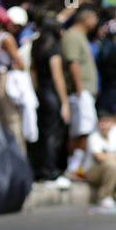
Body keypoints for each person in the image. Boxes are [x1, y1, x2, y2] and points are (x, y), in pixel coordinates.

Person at [30, 15, 72, 187]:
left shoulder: (36, 45)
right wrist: (64, 103)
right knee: (52, 135)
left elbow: (33, 71)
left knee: (43, 133)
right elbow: (58, 77)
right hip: (52, 94)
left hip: (41, 92)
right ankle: (50, 171)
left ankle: (41, 169)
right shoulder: (53, 48)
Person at [0, 15, 28, 153]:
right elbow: (20, 63)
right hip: (5, 82)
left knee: (4, 125)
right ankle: (20, 161)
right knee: (14, 124)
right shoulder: (6, 38)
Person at [62, 5, 100, 147]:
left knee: (84, 128)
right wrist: (79, 88)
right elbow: (73, 63)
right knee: (81, 130)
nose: (96, 22)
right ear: (86, 18)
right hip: (80, 91)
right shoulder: (73, 35)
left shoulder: (81, 36)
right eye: (94, 17)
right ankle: (75, 165)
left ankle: (78, 164)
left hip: (85, 91)